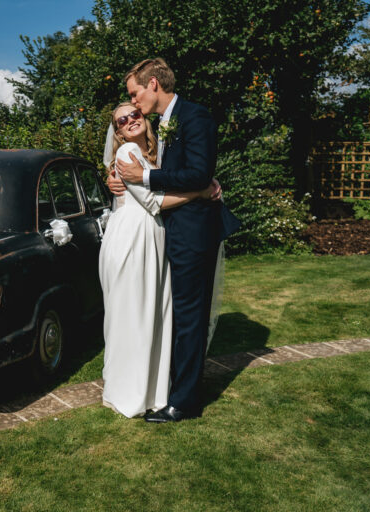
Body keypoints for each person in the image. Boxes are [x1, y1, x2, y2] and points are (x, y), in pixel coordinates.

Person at [110, 58, 240, 422]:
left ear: (153, 84)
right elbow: (181, 174)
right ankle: (175, 387)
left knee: (189, 317)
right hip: (175, 231)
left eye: (135, 94)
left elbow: (198, 172)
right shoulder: (164, 125)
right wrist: (123, 181)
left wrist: (146, 178)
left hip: (193, 233)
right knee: (180, 315)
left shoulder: (194, 116)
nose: (134, 103)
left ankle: (184, 402)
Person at [99, 102, 216, 418]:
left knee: (149, 314)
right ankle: (132, 391)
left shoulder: (153, 156)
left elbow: (163, 181)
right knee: (134, 315)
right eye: (122, 121)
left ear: (144, 118)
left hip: (151, 237)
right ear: (119, 133)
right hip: (132, 240)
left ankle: (151, 387)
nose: (130, 120)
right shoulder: (127, 156)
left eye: (134, 114)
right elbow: (153, 202)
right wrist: (201, 191)